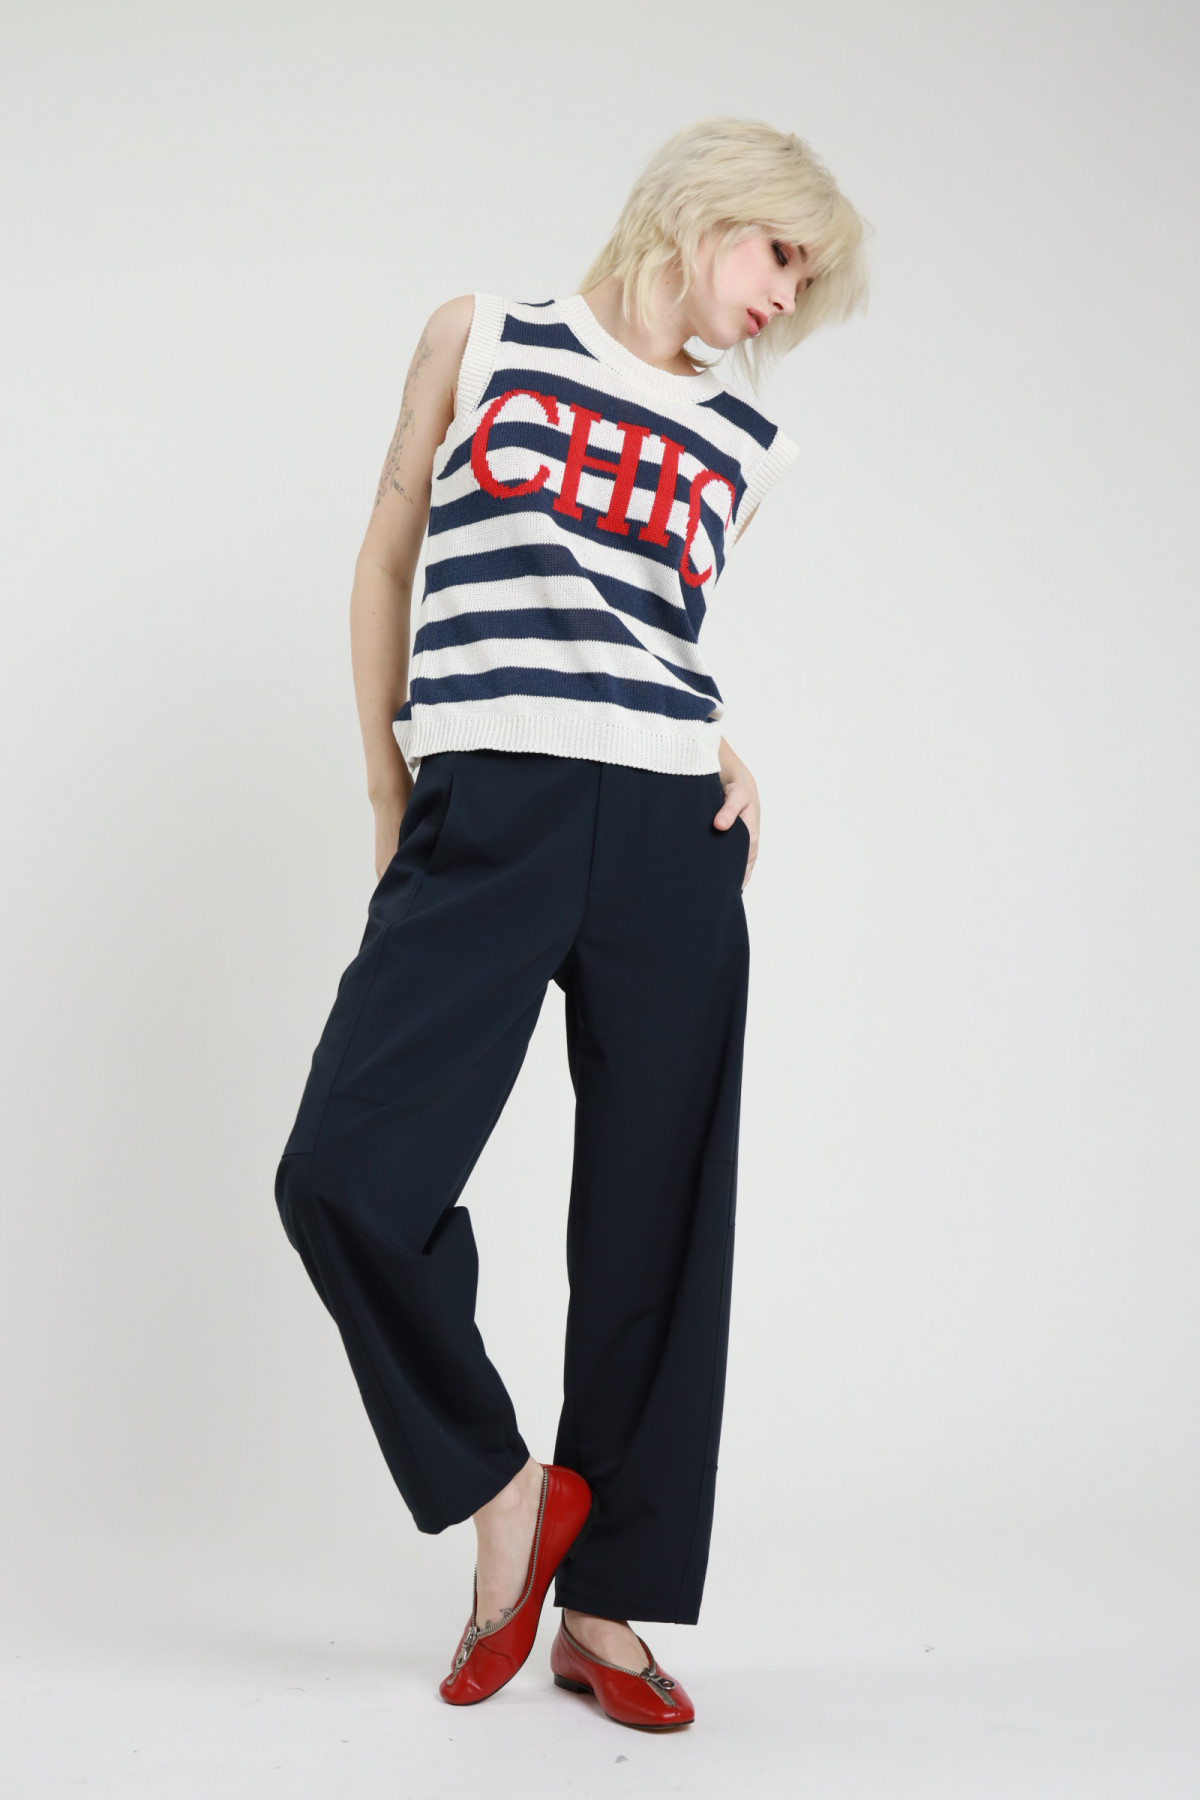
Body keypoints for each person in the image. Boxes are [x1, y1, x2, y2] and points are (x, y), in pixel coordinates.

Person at [274, 114, 870, 1731]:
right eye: (780, 255)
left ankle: (604, 1613)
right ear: (706, 208)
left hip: (670, 834)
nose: (784, 297)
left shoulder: (743, 440)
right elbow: (388, 557)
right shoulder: (483, 338)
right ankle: (506, 1498)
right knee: (343, 1175)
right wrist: (390, 788)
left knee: (655, 1221)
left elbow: (645, 632)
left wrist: (719, 749)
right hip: (487, 809)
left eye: (806, 280)